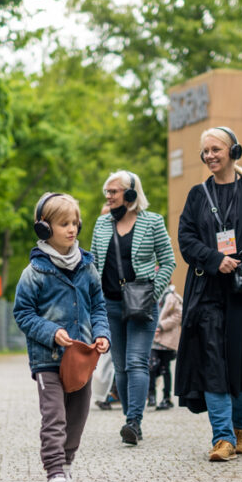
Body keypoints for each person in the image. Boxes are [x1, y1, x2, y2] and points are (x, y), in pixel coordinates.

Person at [175, 126, 242, 462]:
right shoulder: (197, 195)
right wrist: (214, 259)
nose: (209, 156)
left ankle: (239, 429)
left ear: (233, 151)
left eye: (215, 149)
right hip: (207, 292)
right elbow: (186, 239)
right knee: (212, 362)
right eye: (204, 151)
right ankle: (221, 438)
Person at [13, 193, 110, 482]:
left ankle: (67, 464)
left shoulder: (87, 267)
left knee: (78, 415)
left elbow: (98, 306)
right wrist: (51, 331)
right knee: (54, 417)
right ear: (44, 229)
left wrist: (102, 333)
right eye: (63, 224)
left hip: (80, 357)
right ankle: (55, 475)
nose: (72, 229)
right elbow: (23, 313)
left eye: (75, 223)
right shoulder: (34, 273)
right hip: (47, 358)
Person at [90, 171, 176, 446]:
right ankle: (130, 419)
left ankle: (134, 422)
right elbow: (92, 266)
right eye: (107, 192)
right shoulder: (102, 224)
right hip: (110, 304)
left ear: (130, 194)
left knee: (137, 361)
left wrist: (154, 293)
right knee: (120, 366)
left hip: (141, 303)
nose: (109, 196)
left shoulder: (152, 222)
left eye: (114, 191)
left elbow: (168, 261)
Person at [149, 286, 182, 410]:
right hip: (153, 338)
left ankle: (166, 397)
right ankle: (151, 394)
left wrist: (161, 326)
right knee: (151, 365)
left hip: (166, 339)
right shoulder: (151, 292)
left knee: (165, 368)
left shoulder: (173, 297)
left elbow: (178, 315)